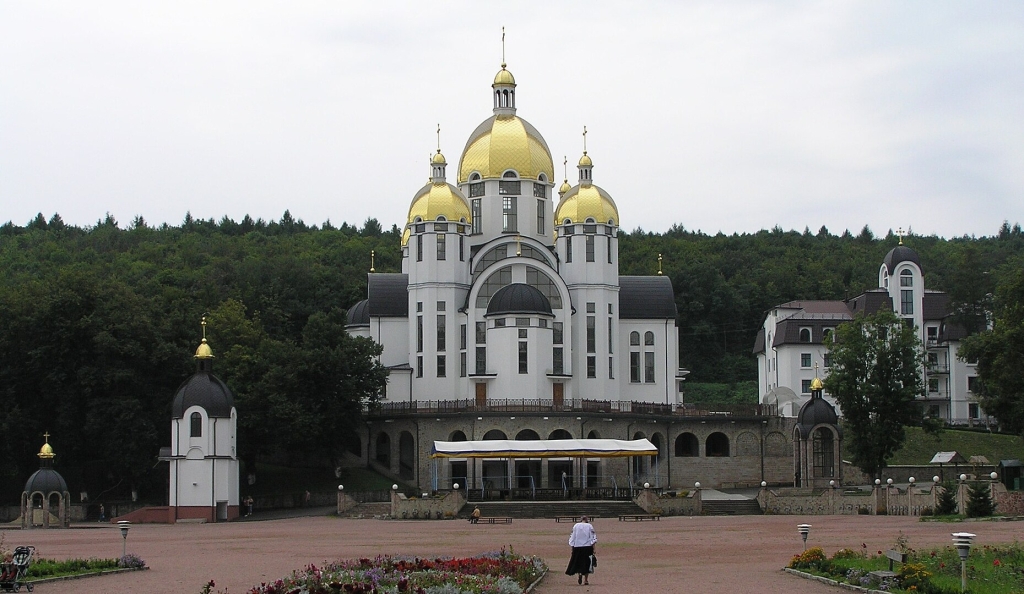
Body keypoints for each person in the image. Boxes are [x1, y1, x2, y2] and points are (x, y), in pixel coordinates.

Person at [565, 515, 597, 585]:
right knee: (587, 563)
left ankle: (579, 573)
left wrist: (572, 547)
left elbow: (573, 536)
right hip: (587, 547)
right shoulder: (589, 526)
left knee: (578, 561)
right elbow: (593, 538)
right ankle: (586, 580)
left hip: (577, 546)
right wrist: (594, 548)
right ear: (586, 520)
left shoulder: (576, 526)